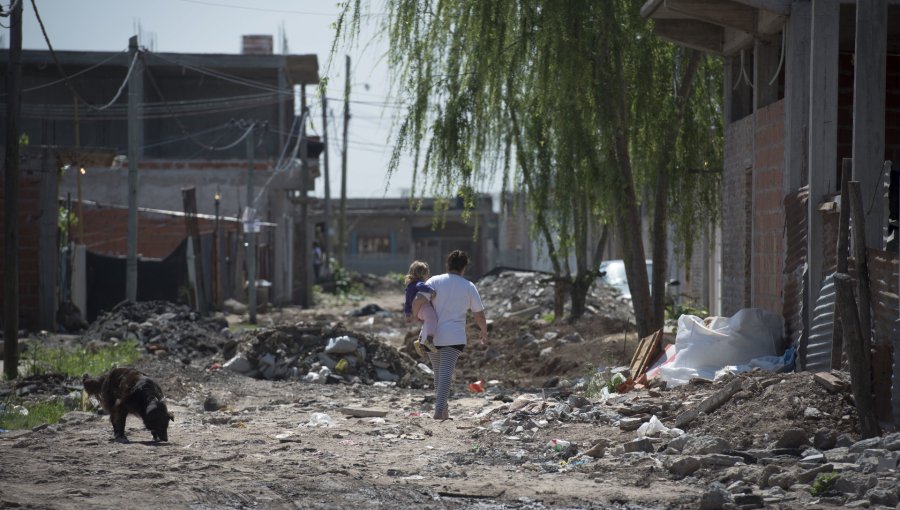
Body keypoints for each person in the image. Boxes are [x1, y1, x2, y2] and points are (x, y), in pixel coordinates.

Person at [414, 250, 488, 421]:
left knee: (438, 372)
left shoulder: (434, 281)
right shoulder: (468, 286)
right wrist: (483, 331)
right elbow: (479, 314)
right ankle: (439, 410)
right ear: (464, 268)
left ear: (448, 264)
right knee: (446, 371)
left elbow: (418, 300)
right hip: (454, 336)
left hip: (430, 335)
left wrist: (417, 316)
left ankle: (443, 409)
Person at [403, 260, 438, 354]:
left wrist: (408, 313)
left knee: (427, 323)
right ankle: (429, 341)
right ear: (422, 274)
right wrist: (432, 291)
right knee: (433, 319)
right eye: (427, 274)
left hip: (417, 311)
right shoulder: (418, 283)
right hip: (423, 307)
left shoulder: (409, 286)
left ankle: (420, 341)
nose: (428, 276)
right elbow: (422, 286)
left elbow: (407, 302)